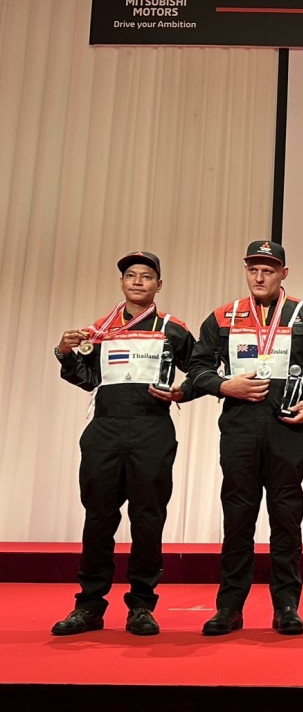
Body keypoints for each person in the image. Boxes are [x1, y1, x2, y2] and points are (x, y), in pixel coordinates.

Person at [188, 240, 303, 636]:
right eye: (253, 269)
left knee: (286, 519)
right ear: (246, 271)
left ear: (283, 274)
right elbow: (198, 368)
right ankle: (229, 608)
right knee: (238, 518)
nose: (259, 277)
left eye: (268, 270)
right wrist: (224, 386)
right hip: (239, 429)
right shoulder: (222, 316)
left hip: (288, 428)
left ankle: (286, 606)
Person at [51, 251, 196, 637]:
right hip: (104, 428)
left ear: (158, 285)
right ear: (121, 283)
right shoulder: (100, 330)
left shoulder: (173, 329)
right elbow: (86, 379)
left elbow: (200, 369)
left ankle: (142, 606)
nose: (137, 282)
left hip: (151, 429)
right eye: (131, 275)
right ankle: (89, 606)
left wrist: (182, 392)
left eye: (146, 276)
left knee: (148, 518)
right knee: (98, 517)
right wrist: (64, 352)